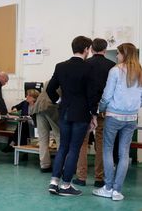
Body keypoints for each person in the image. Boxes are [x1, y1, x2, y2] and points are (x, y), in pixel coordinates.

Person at [93, 43, 142, 201]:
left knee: (107, 150)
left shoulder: (115, 71)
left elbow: (107, 94)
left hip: (113, 116)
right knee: (124, 153)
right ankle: (117, 191)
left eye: (117, 53)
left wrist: (101, 108)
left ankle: (108, 187)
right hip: (131, 118)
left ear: (124, 54)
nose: (116, 56)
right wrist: (133, 106)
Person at [47, 36, 97, 196]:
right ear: (86, 49)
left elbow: (49, 89)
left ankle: (54, 182)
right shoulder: (89, 68)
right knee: (74, 149)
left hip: (64, 111)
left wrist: (60, 100)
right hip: (81, 113)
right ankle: (66, 185)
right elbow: (92, 94)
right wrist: (94, 115)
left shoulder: (60, 66)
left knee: (63, 147)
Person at [73, 38, 116, 188]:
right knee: (102, 143)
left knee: (82, 142)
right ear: (105, 49)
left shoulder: (84, 64)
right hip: (104, 108)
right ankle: (99, 178)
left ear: (91, 49)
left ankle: (81, 176)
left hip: (85, 108)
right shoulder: (112, 66)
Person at [31, 80, 60, 173]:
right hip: (51, 107)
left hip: (38, 107)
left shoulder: (49, 80)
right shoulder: (64, 80)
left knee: (43, 138)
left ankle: (44, 165)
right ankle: (61, 165)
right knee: (59, 135)